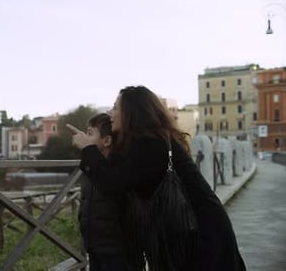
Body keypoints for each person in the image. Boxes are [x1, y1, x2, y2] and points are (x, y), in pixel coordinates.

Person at [67, 86, 246, 271]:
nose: (110, 113)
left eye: (115, 107)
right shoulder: (148, 139)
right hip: (188, 229)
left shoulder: (150, 143)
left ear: (131, 112)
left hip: (198, 232)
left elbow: (111, 182)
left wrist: (88, 149)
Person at [76, 113, 132, 271]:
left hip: (115, 250)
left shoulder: (116, 169)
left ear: (107, 141)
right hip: (93, 245)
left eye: (90, 134)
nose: (86, 138)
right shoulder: (90, 167)